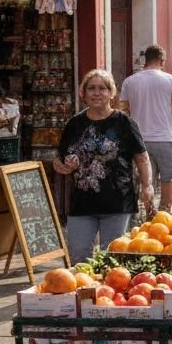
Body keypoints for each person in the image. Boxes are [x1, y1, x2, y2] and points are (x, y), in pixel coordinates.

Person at [54, 69, 153, 261]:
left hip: (117, 203)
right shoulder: (74, 124)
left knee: (113, 258)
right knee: (79, 256)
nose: (97, 93)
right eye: (91, 88)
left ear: (111, 93)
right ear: (83, 93)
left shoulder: (124, 123)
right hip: (82, 204)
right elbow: (59, 159)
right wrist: (65, 166)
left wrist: (147, 185)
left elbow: (142, 157)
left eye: (102, 88)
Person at [119, 44, 172, 212]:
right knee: (169, 178)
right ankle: (164, 213)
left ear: (146, 60)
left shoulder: (130, 81)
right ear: (162, 60)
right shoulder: (170, 80)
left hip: (138, 139)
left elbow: (124, 110)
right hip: (164, 138)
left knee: (145, 180)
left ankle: (150, 211)